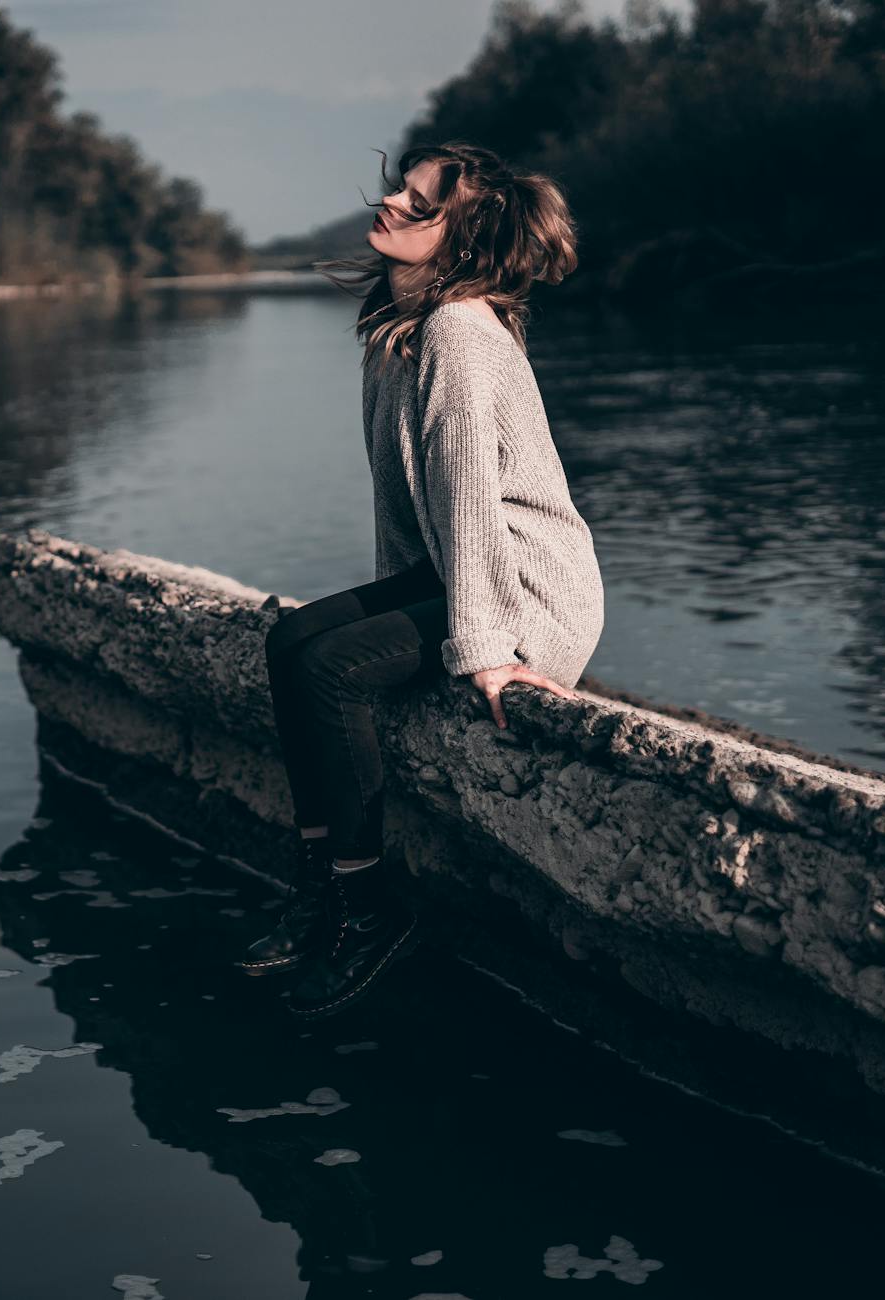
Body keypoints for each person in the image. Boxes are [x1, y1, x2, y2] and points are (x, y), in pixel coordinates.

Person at [235, 141, 606, 1018]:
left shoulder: (458, 334)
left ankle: (367, 910)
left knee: (330, 670)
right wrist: (396, 608)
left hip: (527, 587)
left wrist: (483, 649)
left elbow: (470, 495)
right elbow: (412, 505)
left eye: (421, 202)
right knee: (292, 640)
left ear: (462, 240)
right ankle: (322, 885)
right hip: (457, 571)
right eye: (402, 189)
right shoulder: (396, 325)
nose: (393, 204)